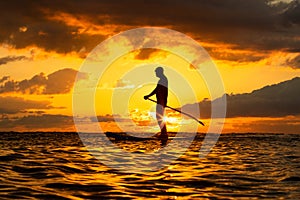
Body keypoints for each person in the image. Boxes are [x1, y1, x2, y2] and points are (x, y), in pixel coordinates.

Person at [144, 67, 168, 139]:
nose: (155, 73)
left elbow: (159, 90)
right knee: (160, 117)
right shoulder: (162, 80)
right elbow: (157, 90)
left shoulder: (163, 80)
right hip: (161, 101)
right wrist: (148, 96)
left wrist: (163, 102)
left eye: (156, 72)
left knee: (159, 117)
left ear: (160, 72)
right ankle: (163, 133)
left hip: (161, 101)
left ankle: (164, 134)